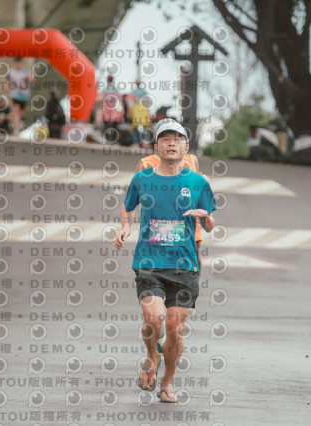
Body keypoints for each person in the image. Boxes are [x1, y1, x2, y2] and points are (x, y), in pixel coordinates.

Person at [115, 119, 216, 403]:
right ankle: (151, 354)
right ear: (156, 147)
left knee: (174, 329)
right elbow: (127, 207)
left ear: (186, 147)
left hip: (184, 265)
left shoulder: (198, 182)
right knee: (154, 320)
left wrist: (205, 217)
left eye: (177, 139)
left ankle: (168, 382)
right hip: (149, 262)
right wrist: (125, 227)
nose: (172, 144)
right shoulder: (142, 178)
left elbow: (210, 225)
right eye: (166, 139)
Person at [7, 57, 33, 135]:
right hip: (15, 95)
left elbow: (31, 80)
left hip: (24, 96)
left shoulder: (26, 72)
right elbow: (7, 81)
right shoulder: (11, 72)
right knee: (16, 111)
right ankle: (16, 129)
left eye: (19, 63)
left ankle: (21, 121)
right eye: (16, 63)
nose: (17, 64)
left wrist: (25, 84)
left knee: (21, 112)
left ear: (21, 63)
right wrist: (8, 86)